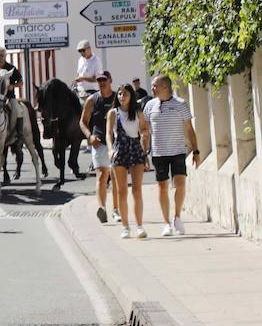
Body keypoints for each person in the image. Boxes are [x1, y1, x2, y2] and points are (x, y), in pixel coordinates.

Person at [144, 75, 200, 237]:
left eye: (155, 86)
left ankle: (177, 218)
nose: (152, 88)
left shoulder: (180, 104)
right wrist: (144, 154)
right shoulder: (149, 106)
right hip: (158, 152)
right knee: (162, 188)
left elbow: (189, 129)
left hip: (177, 151)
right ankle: (166, 223)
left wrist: (196, 151)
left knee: (180, 185)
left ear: (165, 87)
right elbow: (146, 133)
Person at [107, 84, 149, 239]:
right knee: (121, 191)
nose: (122, 97)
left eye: (125, 94)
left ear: (131, 96)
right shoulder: (113, 113)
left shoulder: (138, 113)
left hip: (135, 149)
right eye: (119, 94)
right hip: (120, 150)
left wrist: (145, 151)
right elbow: (108, 134)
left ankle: (139, 226)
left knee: (137, 191)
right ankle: (125, 227)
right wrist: (110, 149)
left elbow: (144, 130)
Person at [79, 72, 119, 226]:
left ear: (110, 80)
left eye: (104, 80)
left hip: (116, 143)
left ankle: (116, 209)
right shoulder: (92, 100)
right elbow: (83, 122)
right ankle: (102, 208)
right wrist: (90, 136)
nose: (101, 83)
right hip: (99, 143)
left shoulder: (118, 98)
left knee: (115, 177)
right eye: (99, 80)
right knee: (102, 176)